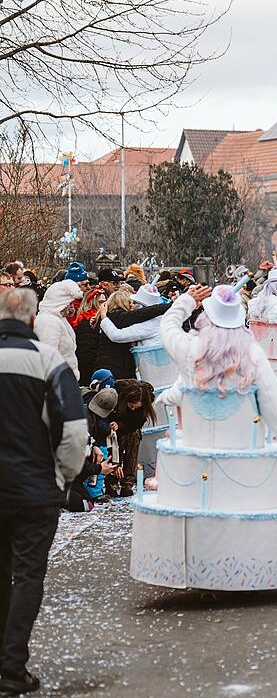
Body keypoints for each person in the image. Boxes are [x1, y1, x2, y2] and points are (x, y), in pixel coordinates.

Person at [0, 288, 85, 695]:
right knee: (28, 575)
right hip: (34, 487)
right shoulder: (48, 361)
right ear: (33, 320)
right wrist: (64, 477)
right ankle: (12, 665)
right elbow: (73, 431)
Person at [158, 283, 277, 476]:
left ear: (206, 317)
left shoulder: (190, 348)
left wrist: (187, 300)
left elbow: (167, 327)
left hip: (195, 455)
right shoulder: (252, 354)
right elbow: (272, 399)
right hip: (242, 457)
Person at [33, 279, 82, 380]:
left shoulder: (58, 319)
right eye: (69, 303)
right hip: (58, 382)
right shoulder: (48, 322)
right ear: (61, 303)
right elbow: (47, 358)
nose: (72, 307)